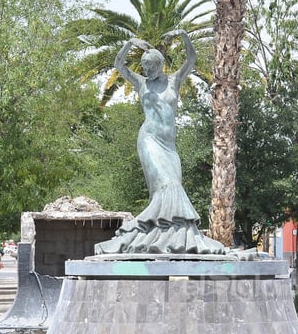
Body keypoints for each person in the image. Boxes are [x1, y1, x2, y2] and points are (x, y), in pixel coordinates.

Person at [95, 30, 225, 255]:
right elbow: (119, 64)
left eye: (151, 67)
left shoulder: (174, 80)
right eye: (144, 68)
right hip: (149, 140)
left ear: (160, 65)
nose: (147, 71)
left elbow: (191, 59)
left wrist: (184, 36)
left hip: (169, 147)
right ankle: (160, 236)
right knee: (168, 186)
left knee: (172, 186)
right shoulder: (141, 83)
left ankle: (170, 237)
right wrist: (129, 44)